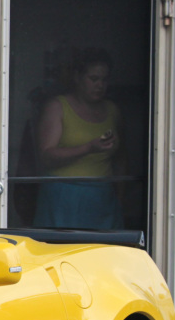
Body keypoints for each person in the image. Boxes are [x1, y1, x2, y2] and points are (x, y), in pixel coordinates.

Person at [34, 48, 124, 229]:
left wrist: (121, 198)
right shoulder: (58, 106)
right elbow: (46, 156)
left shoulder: (112, 110)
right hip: (63, 195)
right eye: (94, 79)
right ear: (77, 77)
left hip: (103, 197)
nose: (100, 85)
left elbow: (121, 158)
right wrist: (88, 148)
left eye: (104, 80)